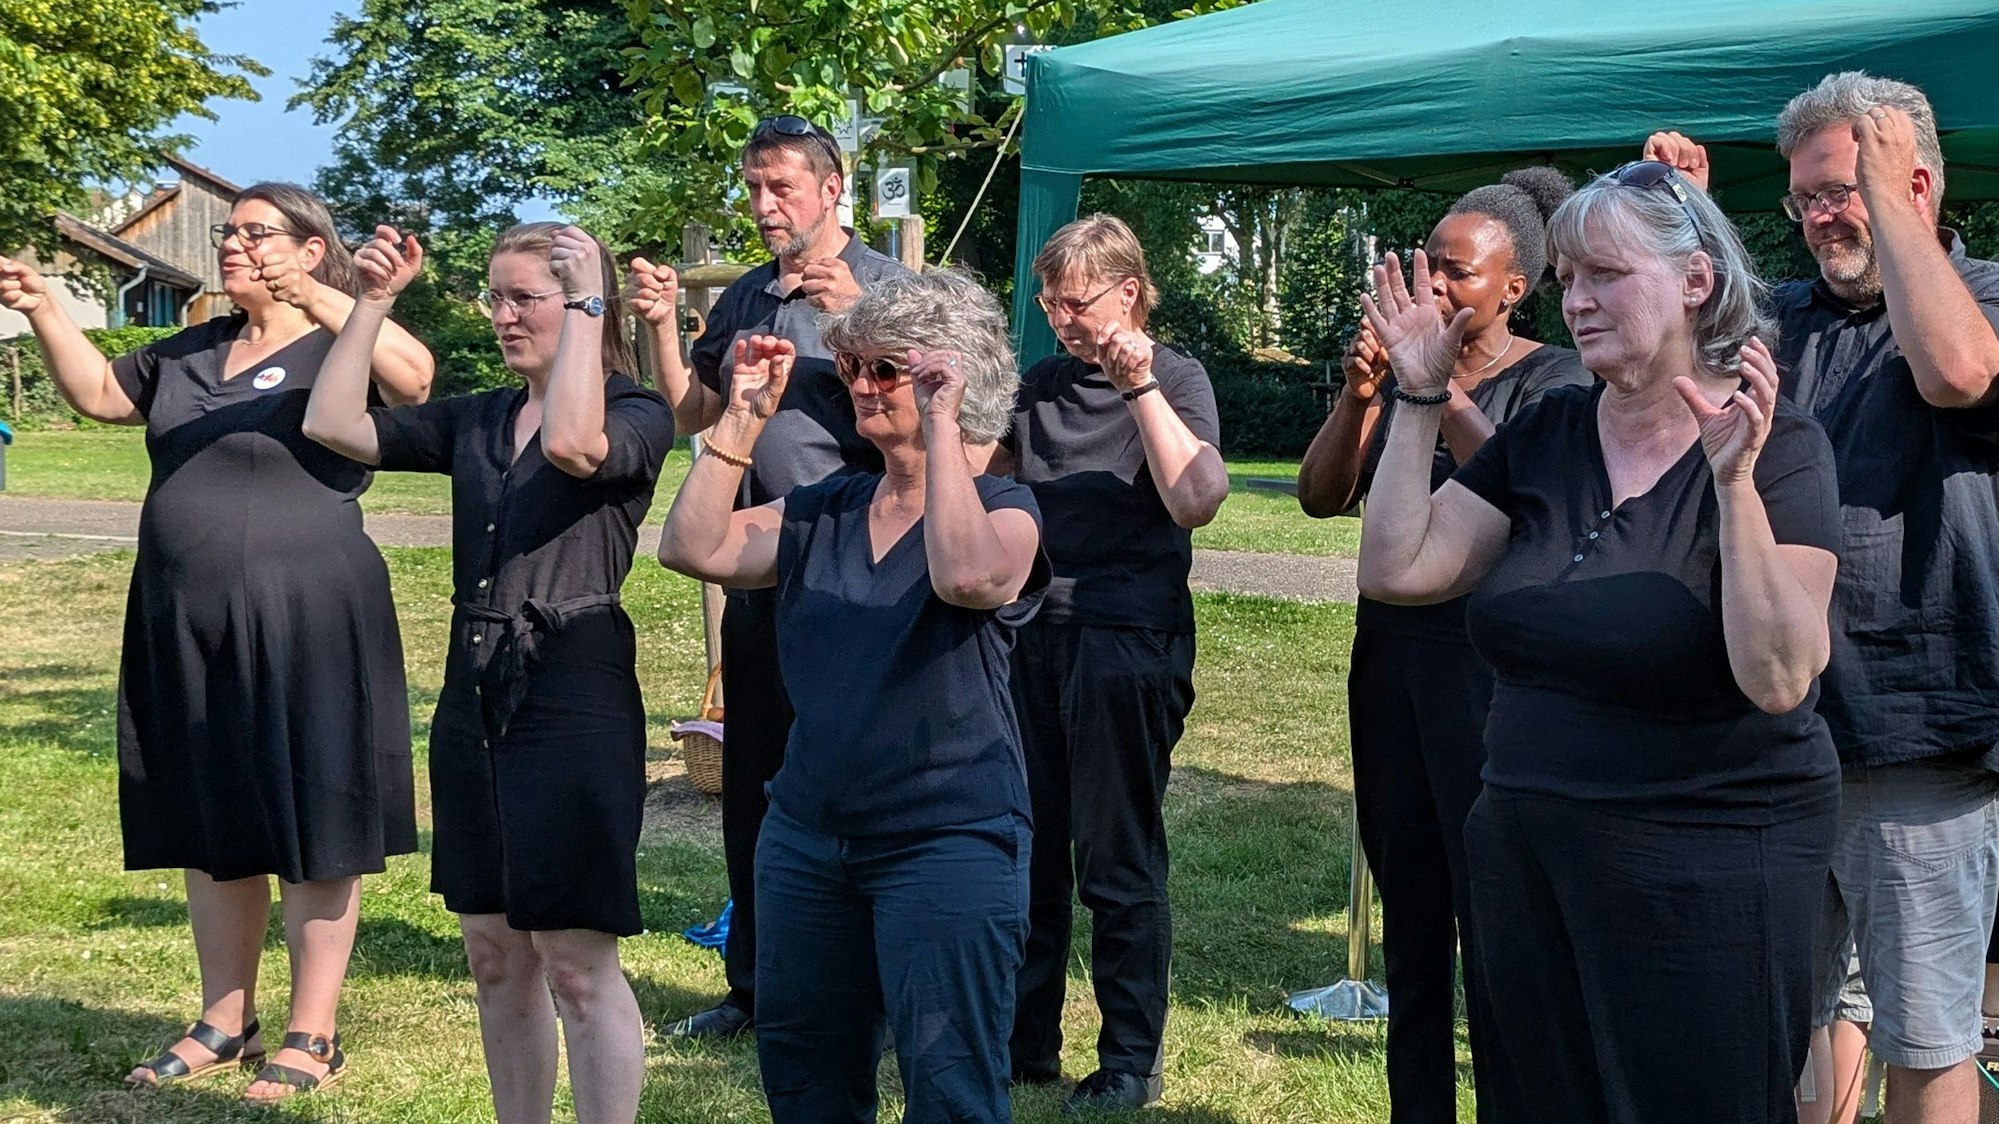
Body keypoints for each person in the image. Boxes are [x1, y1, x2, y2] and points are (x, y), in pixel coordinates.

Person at [1355, 163, 1842, 1121]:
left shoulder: (1780, 447)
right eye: (1568, 278)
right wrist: (1417, 399)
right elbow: (1399, 568)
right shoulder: (1547, 433)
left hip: (1703, 863)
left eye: (1605, 276)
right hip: (1525, 850)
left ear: (1695, 281)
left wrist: (1732, 485)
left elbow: (1781, 675)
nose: (1576, 301)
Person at [0, 184, 431, 1101]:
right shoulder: (195, 346)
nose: (232, 245)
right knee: (211, 813)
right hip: (183, 615)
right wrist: (41, 305)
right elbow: (101, 397)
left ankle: (313, 1032)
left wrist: (327, 298)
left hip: (311, 614)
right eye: (229, 233)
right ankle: (222, 1020)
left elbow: (414, 377)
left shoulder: (338, 338)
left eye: (254, 233)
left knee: (317, 815)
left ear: (311, 249)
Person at [1648, 71, 1999, 1122]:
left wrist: (1891, 209)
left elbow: (1954, 373)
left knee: (1925, 1029)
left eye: (1842, 189)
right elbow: (1669, 384)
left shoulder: (1977, 293)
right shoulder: (1785, 318)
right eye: (1802, 198)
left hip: (1923, 730)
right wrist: (1684, 220)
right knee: (1800, 1010)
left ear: (1917, 184)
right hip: (1783, 718)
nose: (1818, 217)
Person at [301, 221, 673, 1124]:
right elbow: (332, 422)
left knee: (577, 960)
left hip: (574, 689)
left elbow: (577, 447)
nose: (502, 316)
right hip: (473, 689)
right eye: (493, 297)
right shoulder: (477, 417)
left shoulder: (637, 411)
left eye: (523, 298)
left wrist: (590, 300)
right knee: (494, 950)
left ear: (582, 304)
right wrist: (373, 304)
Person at [657, 269, 1047, 1124]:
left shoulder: (1006, 510)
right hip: (804, 839)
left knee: (950, 1091)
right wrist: (740, 419)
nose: (861, 387)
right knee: (806, 1084)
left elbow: (969, 574)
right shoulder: (824, 507)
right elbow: (695, 549)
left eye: (886, 370)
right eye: (853, 369)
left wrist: (942, 426)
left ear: (955, 378)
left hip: (947, 839)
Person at [1295, 167, 1589, 1124]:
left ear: (1516, 285)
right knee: (1410, 913)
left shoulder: (1555, 381)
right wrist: (1362, 396)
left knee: (1494, 920)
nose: (1434, 289)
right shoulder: (1400, 374)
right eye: (1427, 268)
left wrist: (1436, 390)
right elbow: (1319, 496)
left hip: (1488, 675)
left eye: (1457, 274)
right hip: (1390, 666)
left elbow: (1529, 492)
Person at [643, 114, 913, 1040]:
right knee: (756, 782)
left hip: (867, 572)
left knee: (860, 781)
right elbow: (692, 412)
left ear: (833, 188)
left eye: (780, 187)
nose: (762, 205)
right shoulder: (750, 296)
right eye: (752, 187)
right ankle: (754, 987)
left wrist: (849, 317)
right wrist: (663, 334)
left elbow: (942, 410)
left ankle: (870, 993)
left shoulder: (891, 286)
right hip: (761, 572)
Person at [1001, 214, 1229, 1113]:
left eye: (1075, 300)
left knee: (1115, 856)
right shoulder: (1042, 383)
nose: (1060, 318)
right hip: (1031, 636)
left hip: (1126, 640)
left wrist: (1137, 386)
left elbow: (1197, 499)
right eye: (1048, 301)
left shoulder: (1175, 378)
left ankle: (1130, 1058)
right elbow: (989, 471)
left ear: (1128, 292)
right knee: (1026, 852)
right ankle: (1024, 1044)